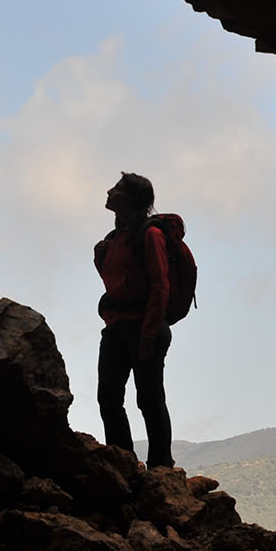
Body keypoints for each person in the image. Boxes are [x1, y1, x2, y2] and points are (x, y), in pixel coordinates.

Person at [93, 171, 174, 468]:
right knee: (109, 398)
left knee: (149, 399)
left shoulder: (150, 234)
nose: (109, 191)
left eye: (116, 188)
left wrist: (149, 333)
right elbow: (117, 285)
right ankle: (122, 463)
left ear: (131, 198)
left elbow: (160, 285)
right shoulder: (115, 239)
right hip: (116, 327)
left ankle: (161, 467)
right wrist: (99, 260)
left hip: (143, 326)